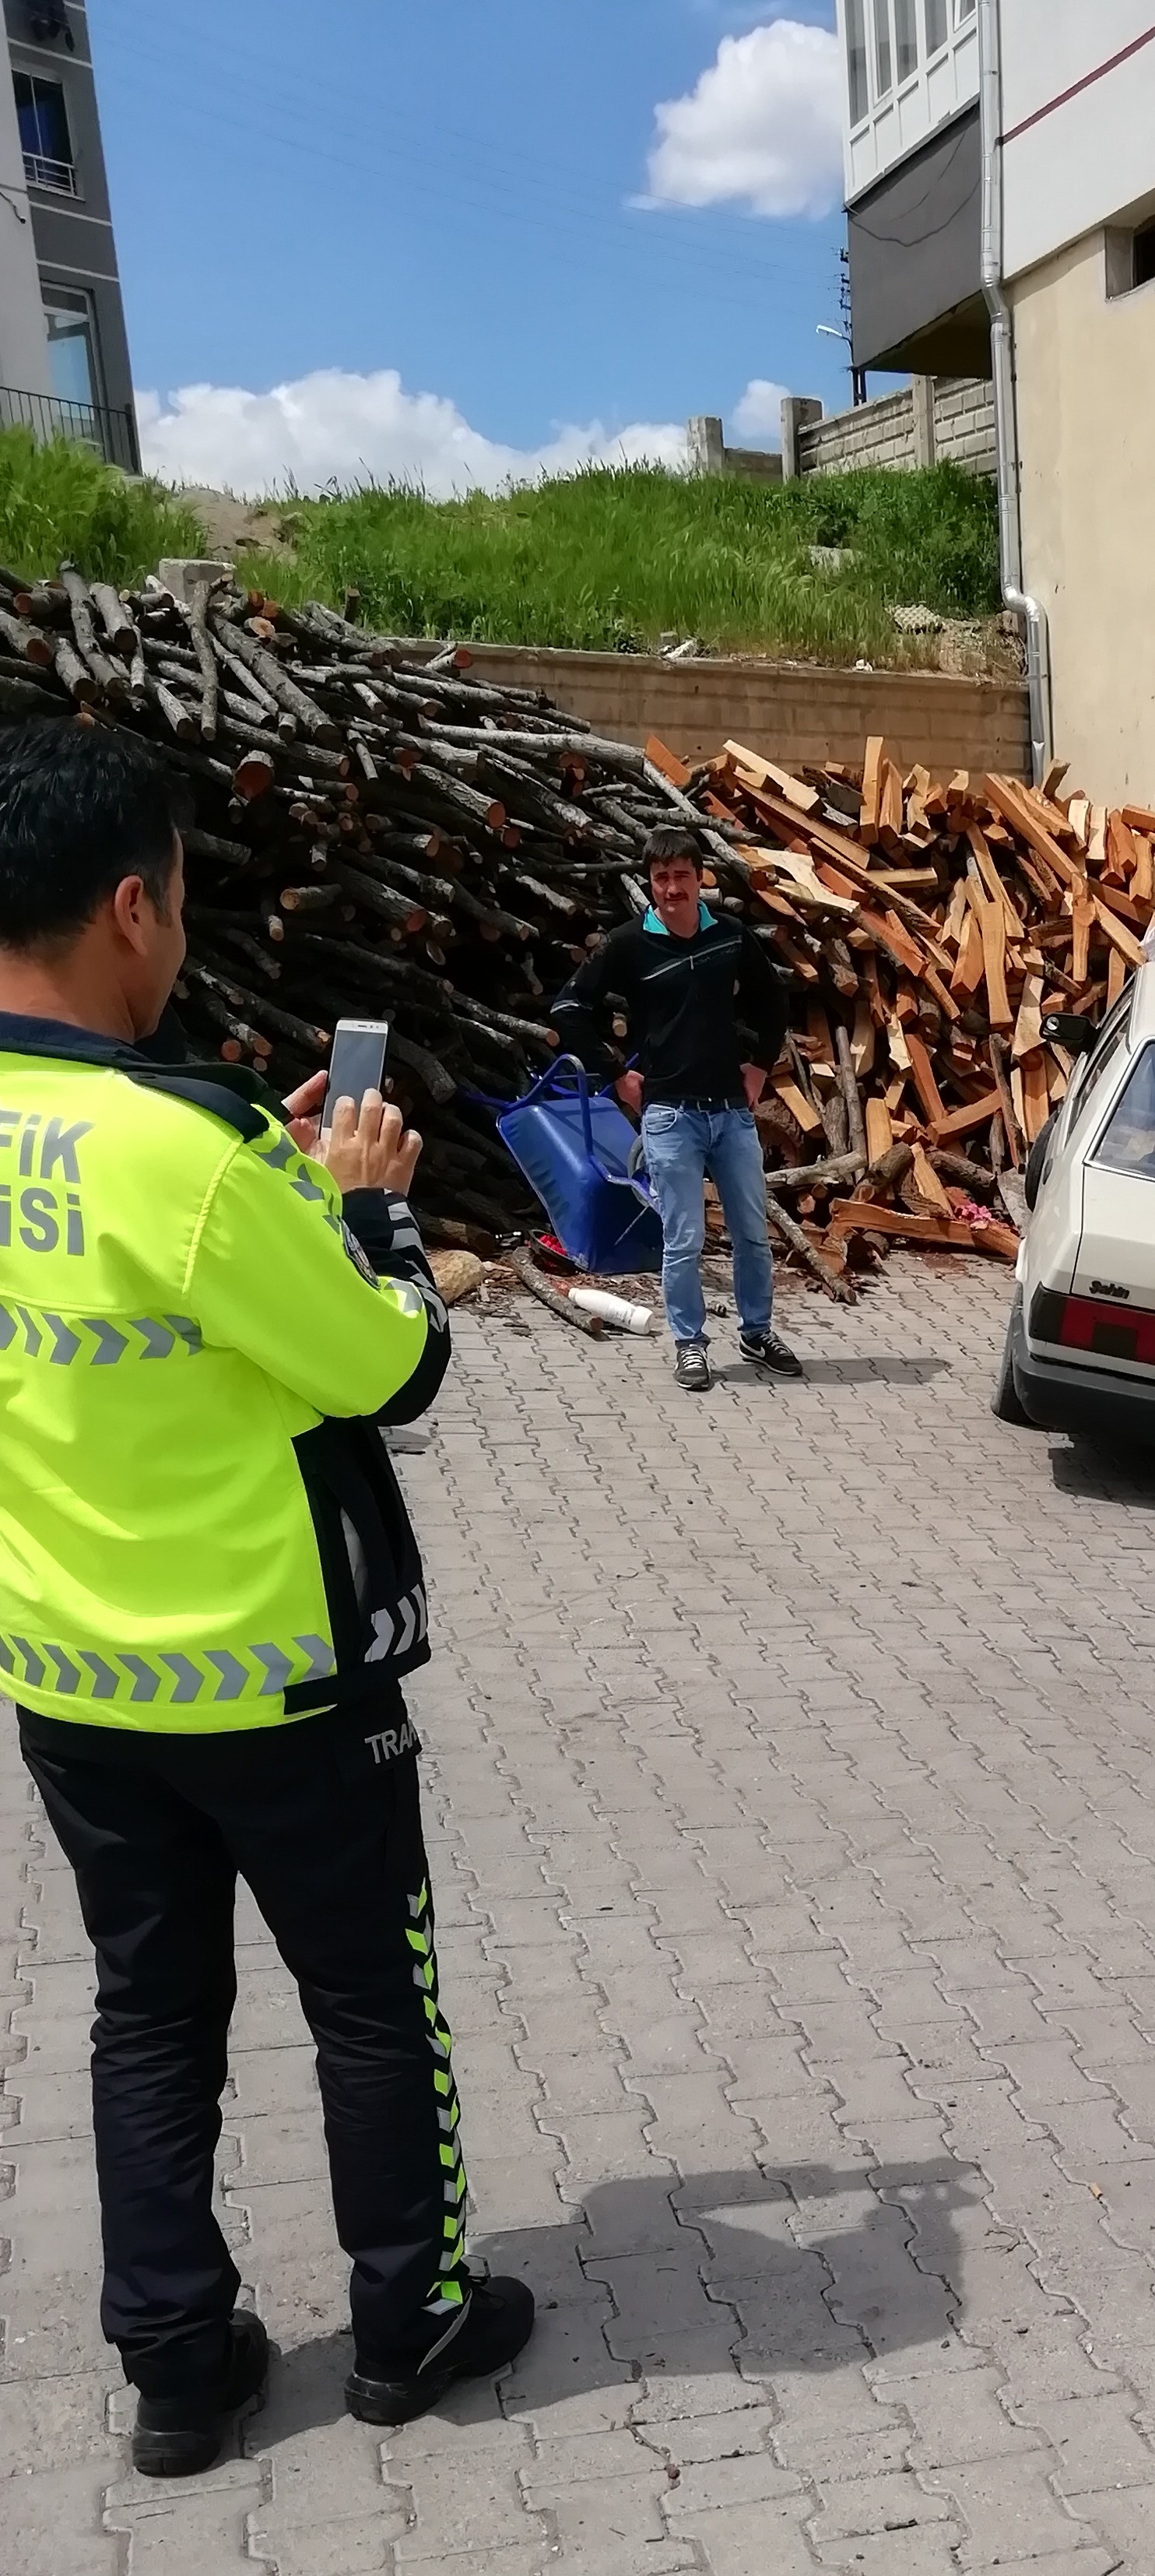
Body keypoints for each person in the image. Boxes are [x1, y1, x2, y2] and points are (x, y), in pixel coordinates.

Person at [0, 718, 533, 2478]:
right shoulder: (192, 1152)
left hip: (75, 1688)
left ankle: (176, 2365)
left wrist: (278, 1198)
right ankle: (410, 2322)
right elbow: (388, 1367)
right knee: (375, 2004)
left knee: (148, 2012)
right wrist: (363, 1212)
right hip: (278, 1685)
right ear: (131, 907)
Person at [551, 829, 804, 1392]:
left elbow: (773, 1002)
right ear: (651, 883)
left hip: (731, 1113)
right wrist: (616, 1074)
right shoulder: (628, 945)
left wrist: (761, 1065)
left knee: (753, 1236)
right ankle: (690, 1344)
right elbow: (570, 1006)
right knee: (684, 1241)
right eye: (661, 878)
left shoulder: (731, 938)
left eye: (682, 876)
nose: (672, 888)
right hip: (669, 1116)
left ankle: (757, 1333)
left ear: (700, 878)